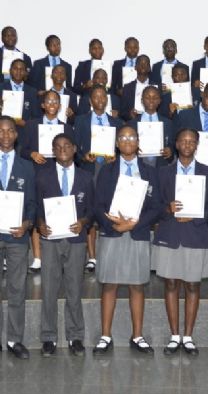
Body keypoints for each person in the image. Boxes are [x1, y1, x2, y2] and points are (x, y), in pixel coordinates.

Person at [93, 125, 161, 354]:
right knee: (109, 285)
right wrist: (114, 224)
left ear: (138, 141)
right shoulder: (106, 171)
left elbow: (156, 207)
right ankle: (105, 336)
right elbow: (98, 205)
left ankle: (137, 336)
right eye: (123, 137)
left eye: (132, 137)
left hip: (138, 233)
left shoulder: (150, 172)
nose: (127, 140)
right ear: (116, 143)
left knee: (137, 285)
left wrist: (134, 224)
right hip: (112, 232)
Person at [152, 128, 208, 355]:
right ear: (177, 144)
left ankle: (188, 336)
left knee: (192, 285)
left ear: (197, 145)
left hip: (195, 234)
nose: (187, 144)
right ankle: (174, 336)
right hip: (170, 234)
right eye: (184, 140)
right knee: (171, 284)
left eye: (192, 141)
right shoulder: (163, 172)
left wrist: (197, 215)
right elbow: (154, 205)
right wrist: (167, 209)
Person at [36, 133, 94, 357]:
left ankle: (75, 336)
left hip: (76, 240)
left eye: (67, 145)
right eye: (58, 146)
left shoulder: (86, 177)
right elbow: (36, 207)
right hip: (50, 239)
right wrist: (40, 224)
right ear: (53, 151)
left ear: (75, 149)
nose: (62, 149)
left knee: (74, 290)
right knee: (49, 290)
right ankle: (48, 337)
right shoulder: (42, 176)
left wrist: (83, 222)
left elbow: (92, 210)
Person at [21, 90, 74, 272]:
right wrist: (32, 154)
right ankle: (37, 257)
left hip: (59, 174)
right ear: (43, 105)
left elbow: (72, 152)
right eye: (48, 101)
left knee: (58, 211)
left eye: (55, 101)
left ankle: (61, 256)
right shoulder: (31, 125)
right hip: (37, 174)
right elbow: (22, 149)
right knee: (38, 213)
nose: (52, 104)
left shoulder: (66, 128)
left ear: (60, 105)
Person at [74, 84, 123, 272]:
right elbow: (74, 148)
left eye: (103, 96)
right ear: (90, 100)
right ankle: (92, 257)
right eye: (96, 96)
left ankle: (112, 255)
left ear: (107, 99)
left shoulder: (117, 123)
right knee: (90, 211)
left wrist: (116, 157)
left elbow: (123, 149)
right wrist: (83, 157)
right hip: (89, 170)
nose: (100, 100)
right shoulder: (81, 121)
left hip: (110, 171)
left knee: (109, 210)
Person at [0, 115, 35, 359]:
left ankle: (14, 340)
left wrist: (27, 224)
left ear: (16, 134)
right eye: (1, 130)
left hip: (17, 236)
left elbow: (32, 203)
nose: (5, 135)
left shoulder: (27, 166)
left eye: (10, 130)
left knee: (17, 289)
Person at [126, 85, 174, 167]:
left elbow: (172, 144)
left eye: (155, 98)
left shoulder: (168, 123)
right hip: (138, 166)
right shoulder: (131, 124)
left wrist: (170, 150)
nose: (151, 100)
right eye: (147, 97)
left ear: (159, 101)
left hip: (161, 166)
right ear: (142, 100)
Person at [0, 59, 41, 135]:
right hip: (2, 131)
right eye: (15, 68)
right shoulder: (1, 88)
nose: (18, 71)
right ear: (10, 70)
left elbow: (36, 116)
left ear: (26, 72)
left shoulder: (32, 91)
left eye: (21, 69)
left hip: (24, 132)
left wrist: (26, 123)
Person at [120, 55, 156, 121]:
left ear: (149, 68)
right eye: (140, 63)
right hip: (133, 123)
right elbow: (122, 112)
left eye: (145, 64)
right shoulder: (127, 88)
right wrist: (130, 115)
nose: (143, 66)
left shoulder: (156, 87)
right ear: (135, 67)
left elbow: (161, 111)